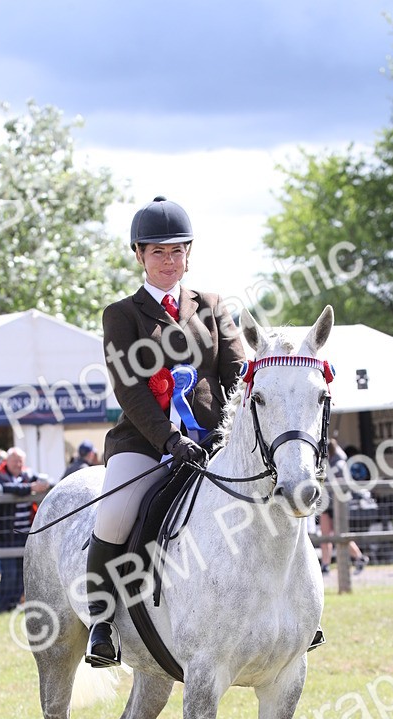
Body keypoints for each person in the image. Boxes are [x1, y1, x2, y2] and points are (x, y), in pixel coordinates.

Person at [85, 196, 244, 666]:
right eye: (158, 252)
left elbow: (237, 374)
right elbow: (130, 391)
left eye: (177, 251)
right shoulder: (123, 314)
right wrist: (170, 441)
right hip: (146, 441)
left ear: (188, 255)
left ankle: (294, 612)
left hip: (214, 441)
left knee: (274, 496)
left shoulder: (212, 307)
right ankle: (101, 622)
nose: (169, 261)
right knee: (115, 512)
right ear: (139, 255)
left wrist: (233, 432)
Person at [0, 446, 51, 612]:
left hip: (25, 533)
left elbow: (44, 481)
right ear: (7, 461)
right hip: (6, 534)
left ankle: (13, 605)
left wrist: (42, 484)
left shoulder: (27, 474)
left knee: (22, 573)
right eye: (15, 460)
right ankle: (2, 607)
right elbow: (4, 487)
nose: (18, 464)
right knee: (9, 572)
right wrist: (30, 488)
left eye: (20, 461)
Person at [319, 440, 368, 574]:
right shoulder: (325, 463)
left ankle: (359, 558)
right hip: (326, 503)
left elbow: (336, 482)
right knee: (325, 534)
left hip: (338, 504)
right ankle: (325, 564)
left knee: (340, 534)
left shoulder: (339, 464)